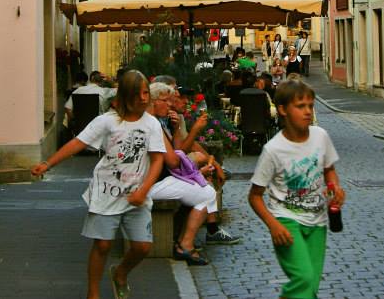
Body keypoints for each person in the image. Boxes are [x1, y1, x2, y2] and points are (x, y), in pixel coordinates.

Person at [30, 70, 164, 299]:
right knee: (102, 245)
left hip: (136, 196)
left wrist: (144, 190)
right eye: (139, 93)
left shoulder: (151, 124)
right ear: (126, 95)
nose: (144, 98)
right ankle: (92, 293)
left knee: (142, 247)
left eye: (146, 93)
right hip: (106, 193)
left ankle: (120, 273)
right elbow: (77, 143)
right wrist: (47, 163)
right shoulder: (106, 121)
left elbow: (158, 158)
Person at [249, 79, 345, 299]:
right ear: (282, 110)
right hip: (286, 221)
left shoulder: (321, 136)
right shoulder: (273, 150)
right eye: (300, 106)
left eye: (310, 106)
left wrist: (334, 187)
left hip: (318, 222)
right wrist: (273, 225)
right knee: (303, 278)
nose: (308, 112)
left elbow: (328, 169)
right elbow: (254, 197)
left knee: (310, 286)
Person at [146, 82, 238, 265]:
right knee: (206, 192)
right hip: (151, 183)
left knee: (204, 188)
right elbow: (173, 160)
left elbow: (177, 151)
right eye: (166, 100)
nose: (170, 104)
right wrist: (196, 169)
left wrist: (176, 130)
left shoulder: (159, 122)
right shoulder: (153, 124)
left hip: (157, 179)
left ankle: (186, 241)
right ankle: (185, 244)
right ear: (153, 101)